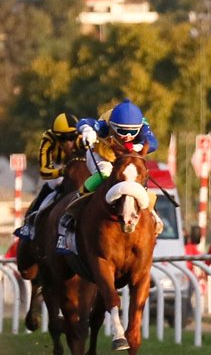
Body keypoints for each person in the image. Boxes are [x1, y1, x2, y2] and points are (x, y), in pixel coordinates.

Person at [58, 100, 159, 249]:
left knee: (137, 178)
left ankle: (152, 215)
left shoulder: (142, 125)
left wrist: (137, 146)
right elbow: (84, 122)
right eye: (123, 132)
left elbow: (153, 142)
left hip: (125, 159)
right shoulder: (106, 125)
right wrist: (87, 130)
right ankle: (72, 210)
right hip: (102, 156)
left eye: (133, 132)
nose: (128, 136)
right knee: (105, 175)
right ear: (113, 126)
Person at [13, 113, 81, 241]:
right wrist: (62, 172)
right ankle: (31, 220)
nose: (69, 143)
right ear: (56, 137)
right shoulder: (47, 141)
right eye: (64, 138)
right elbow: (45, 171)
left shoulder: (82, 137)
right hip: (58, 167)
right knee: (53, 184)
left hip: (77, 165)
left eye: (72, 137)